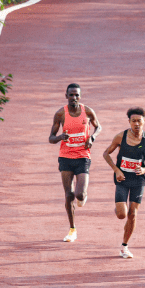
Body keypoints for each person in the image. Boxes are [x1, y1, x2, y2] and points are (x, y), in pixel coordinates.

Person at [102, 107, 145, 258]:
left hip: (138, 180)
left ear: (143, 122)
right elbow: (106, 153)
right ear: (129, 121)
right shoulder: (120, 137)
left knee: (133, 214)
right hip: (122, 179)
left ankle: (124, 246)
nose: (136, 124)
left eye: (139, 121)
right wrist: (116, 170)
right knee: (122, 214)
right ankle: (119, 208)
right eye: (133, 121)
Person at [48, 83, 102, 242]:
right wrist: (60, 137)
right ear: (66, 96)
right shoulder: (60, 114)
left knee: (79, 194)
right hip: (65, 157)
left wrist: (92, 137)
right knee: (68, 195)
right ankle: (72, 229)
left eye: (77, 95)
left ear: (80, 96)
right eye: (71, 95)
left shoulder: (88, 111)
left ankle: (83, 196)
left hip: (83, 156)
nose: (74, 98)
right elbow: (51, 138)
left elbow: (98, 127)